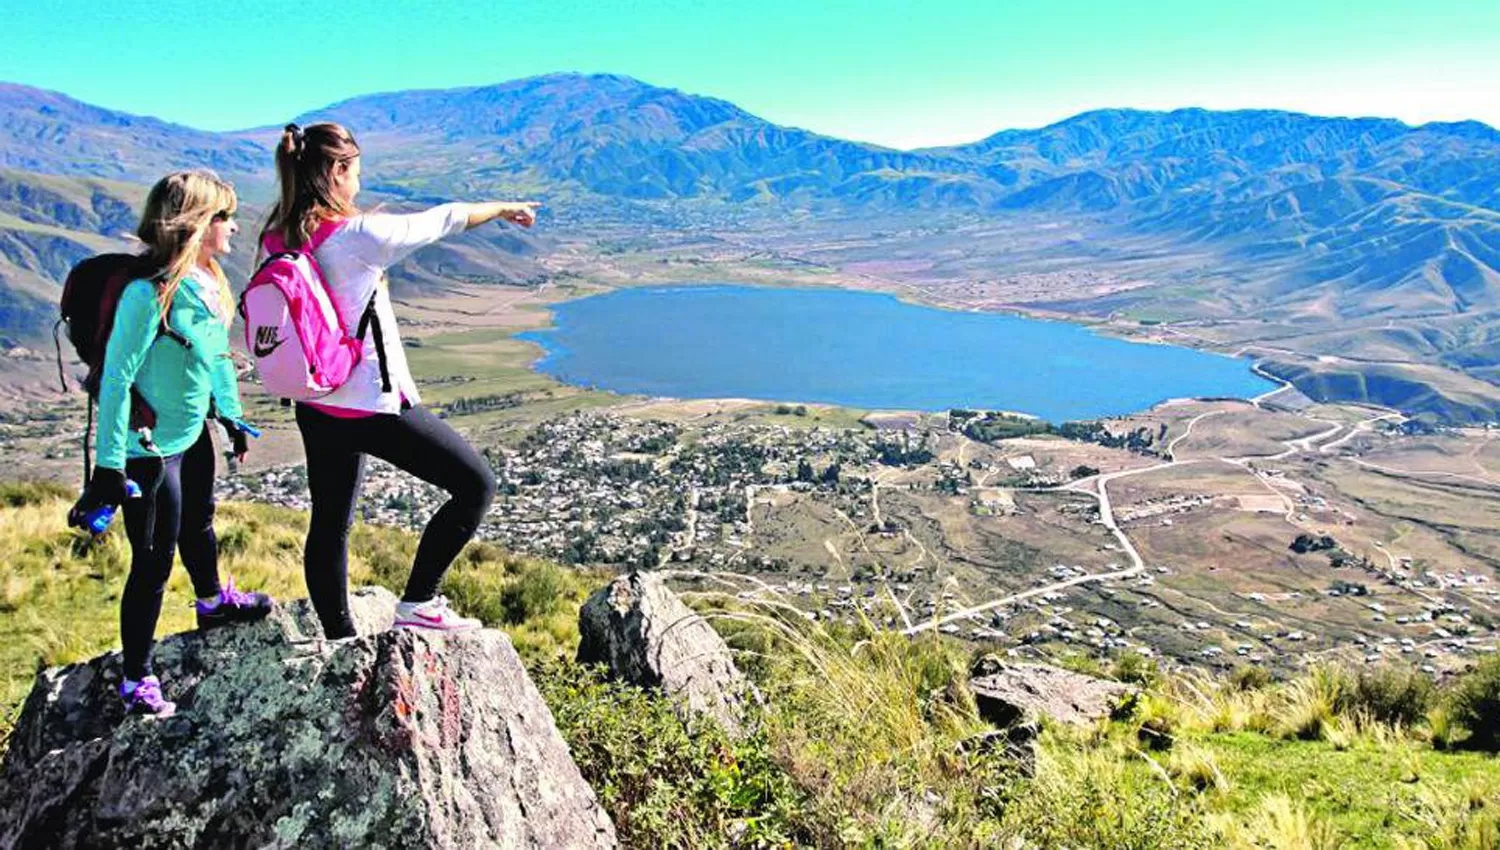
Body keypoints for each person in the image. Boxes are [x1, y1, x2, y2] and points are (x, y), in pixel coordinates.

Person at [263, 122, 538, 638]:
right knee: (475, 486)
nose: (359, 186)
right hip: (371, 404)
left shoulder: (276, 235)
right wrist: (502, 207)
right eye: (356, 173)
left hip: (315, 402)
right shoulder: (362, 236)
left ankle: (338, 634)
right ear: (338, 171)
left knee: (330, 522)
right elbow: (447, 218)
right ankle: (418, 602)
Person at [73, 170, 274, 717]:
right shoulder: (149, 294)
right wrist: (110, 469)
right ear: (195, 225)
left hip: (191, 434)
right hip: (148, 452)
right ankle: (136, 677)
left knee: (200, 522)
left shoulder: (208, 280)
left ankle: (211, 604)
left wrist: (230, 415)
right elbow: (115, 379)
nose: (233, 226)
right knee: (154, 561)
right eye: (223, 217)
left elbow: (213, 355)